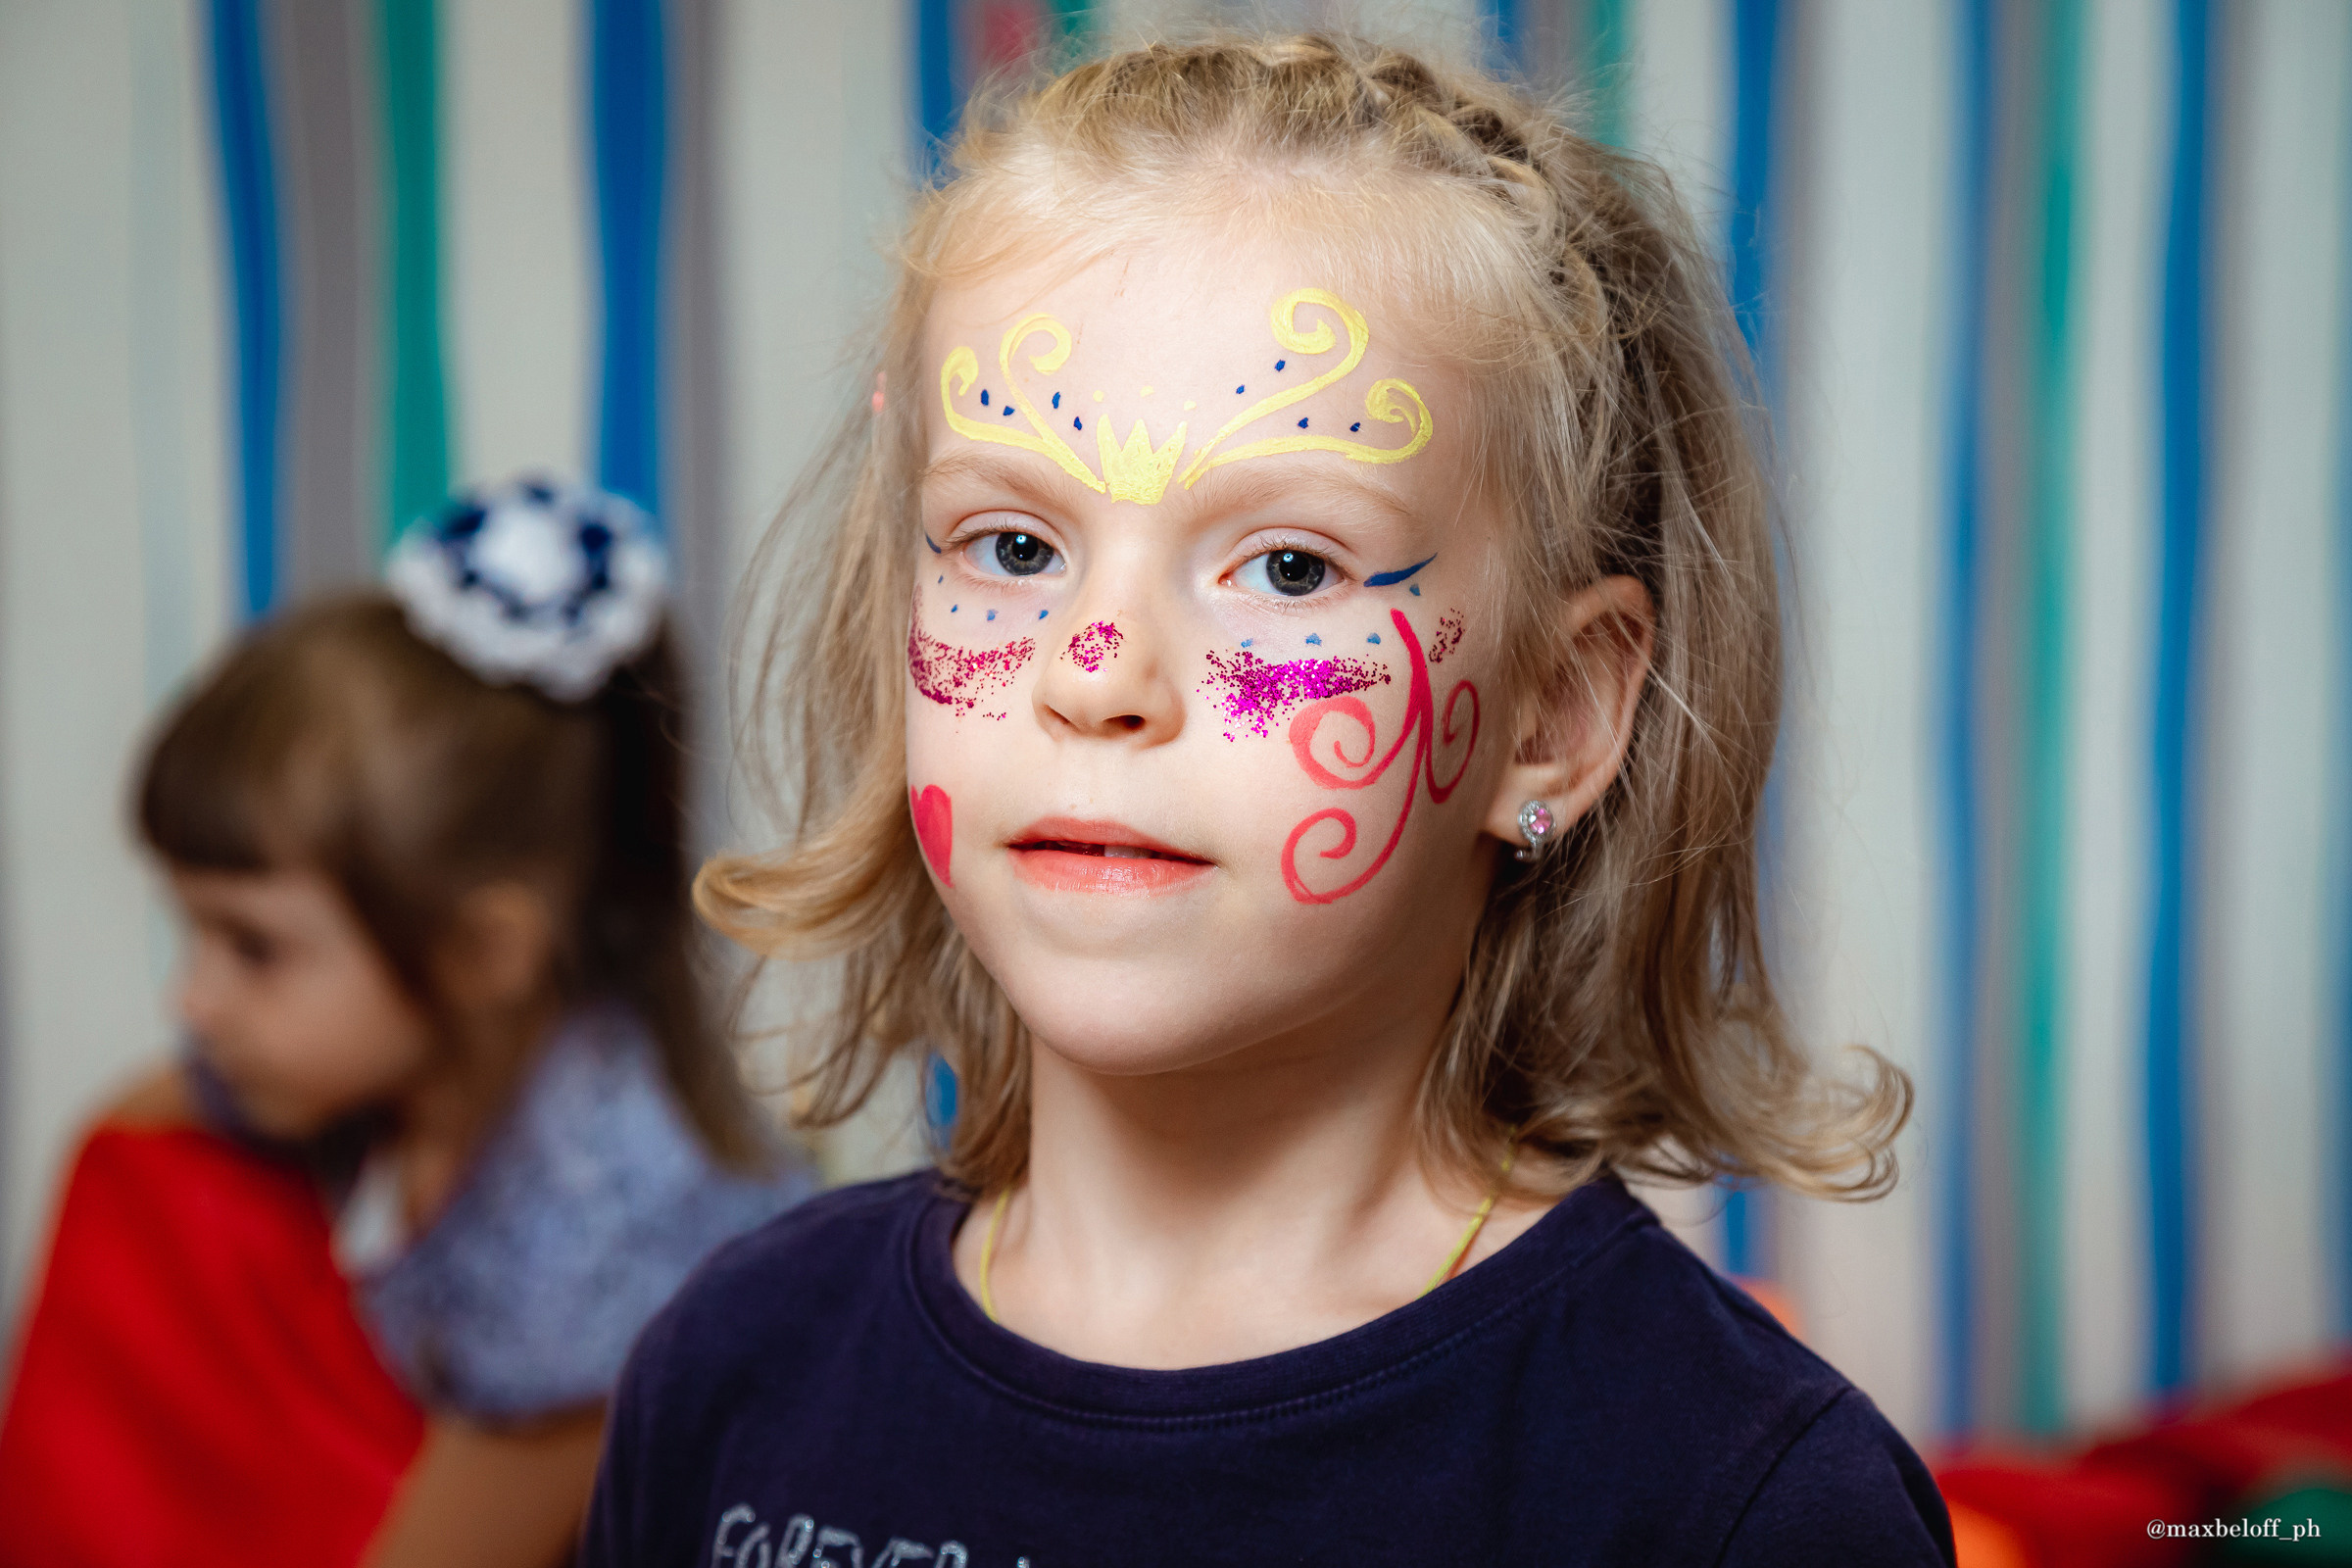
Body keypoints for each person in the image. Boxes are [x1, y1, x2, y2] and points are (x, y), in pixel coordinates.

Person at [585, 33, 1952, 1567]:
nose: (1094, 672)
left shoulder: (1730, 1504)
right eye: (1014, 548)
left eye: (1291, 567)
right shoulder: (731, 1375)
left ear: (1553, 719)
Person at [0, 478, 812, 1568]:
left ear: (482, 951)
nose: (191, 1001)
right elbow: (143, 1114)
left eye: (253, 947)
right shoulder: (459, 1054)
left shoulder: (607, 1230)